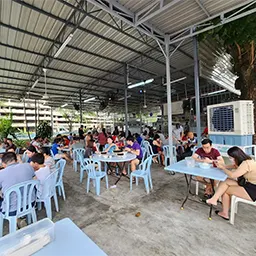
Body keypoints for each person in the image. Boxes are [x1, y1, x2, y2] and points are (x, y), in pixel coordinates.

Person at [206, 147, 256, 220]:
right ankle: (214, 199)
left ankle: (224, 212)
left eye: (231, 158)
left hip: (253, 189)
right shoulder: (246, 160)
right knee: (225, 181)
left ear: (236, 156)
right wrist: (223, 166)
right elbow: (235, 166)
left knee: (225, 190)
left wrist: (223, 168)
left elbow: (233, 175)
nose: (230, 159)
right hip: (248, 184)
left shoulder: (246, 164)